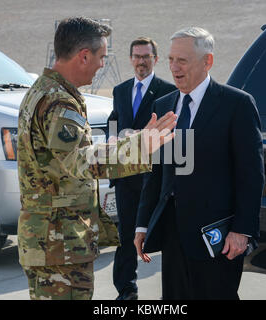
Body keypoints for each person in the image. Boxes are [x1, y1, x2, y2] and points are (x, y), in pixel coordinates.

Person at [17, 17, 177, 300]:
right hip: (59, 245)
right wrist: (141, 145)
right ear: (84, 56)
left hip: (51, 240)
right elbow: (79, 161)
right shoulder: (57, 100)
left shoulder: (44, 90)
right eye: (102, 57)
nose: (103, 64)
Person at [134, 27, 264, 300]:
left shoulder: (236, 104)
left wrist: (242, 230)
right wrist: (143, 224)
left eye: (182, 60)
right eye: (170, 59)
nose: (174, 67)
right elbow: (155, 172)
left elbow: (251, 174)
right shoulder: (164, 104)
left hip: (217, 235)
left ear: (207, 61)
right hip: (173, 233)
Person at [107, 37, 176, 300]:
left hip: (153, 177)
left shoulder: (168, 91)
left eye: (146, 56)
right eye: (136, 56)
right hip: (126, 178)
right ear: (130, 59)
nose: (141, 61)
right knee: (125, 237)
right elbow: (115, 122)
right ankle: (126, 291)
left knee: (161, 235)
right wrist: (113, 145)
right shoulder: (120, 90)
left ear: (155, 59)